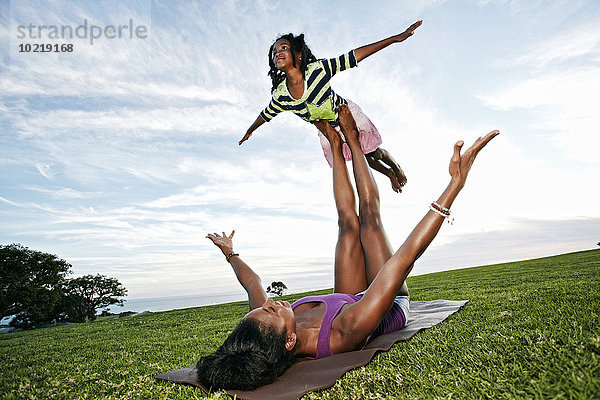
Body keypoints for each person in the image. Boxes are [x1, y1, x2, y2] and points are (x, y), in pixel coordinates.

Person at [200, 104, 499, 390]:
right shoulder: (344, 333)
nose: (270, 303)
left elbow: (252, 283)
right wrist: (454, 186)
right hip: (388, 302)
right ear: (289, 342)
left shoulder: (267, 329)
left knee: (347, 224)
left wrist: (229, 252)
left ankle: (334, 140)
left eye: (262, 307)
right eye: (270, 310)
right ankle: (352, 141)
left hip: (349, 296)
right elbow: (403, 260)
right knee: (368, 216)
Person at [238, 21, 423, 193]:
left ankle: (395, 166)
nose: (277, 52)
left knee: (372, 151)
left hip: (346, 115)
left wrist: (394, 39)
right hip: (328, 130)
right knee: (363, 158)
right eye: (274, 51)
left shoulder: (317, 70)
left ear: (298, 54)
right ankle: (389, 174)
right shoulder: (281, 95)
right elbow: (266, 114)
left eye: (284, 48)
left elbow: (353, 56)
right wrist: (250, 130)